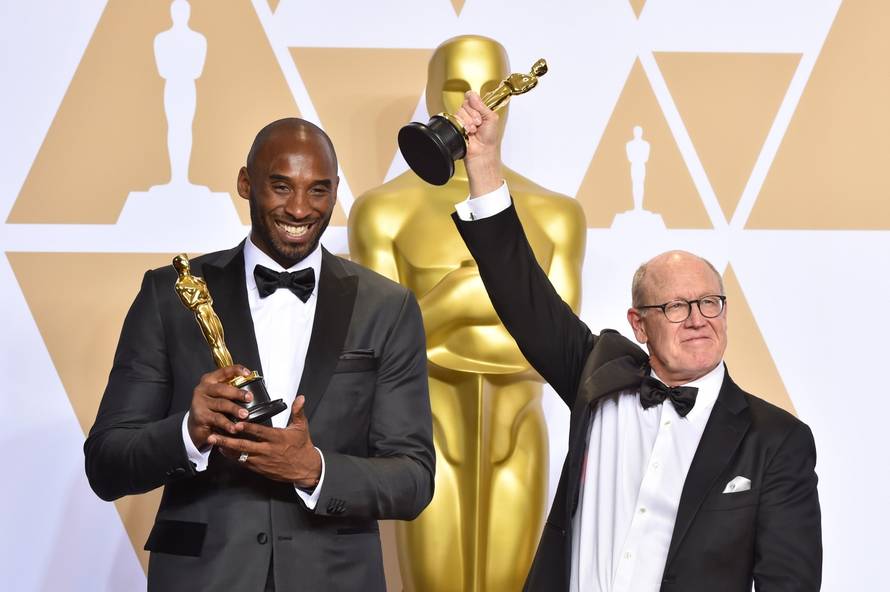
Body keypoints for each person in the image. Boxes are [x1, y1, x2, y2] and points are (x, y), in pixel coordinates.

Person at [448, 91, 822, 591]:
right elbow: (523, 294)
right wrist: (484, 163)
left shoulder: (776, 440)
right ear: (639, 325)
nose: (698, 320)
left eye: (710, 303)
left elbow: (790, 583)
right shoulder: (598, 376)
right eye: (676, 307)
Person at [84, 118, 435, 592]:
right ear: (246, 183)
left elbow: (413, 479)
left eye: (318, 190)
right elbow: (106, 464)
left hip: (335, 579)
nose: (300, 208)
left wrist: (314, 469)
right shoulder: (170, 296)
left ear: (335, 192)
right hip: (204, 579)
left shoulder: (388, 307)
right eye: (281, 186)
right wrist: (190, 431)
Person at [349, 35, 585, 592]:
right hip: (424, 439)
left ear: (511, 95)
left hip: (517, 435)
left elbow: (557, 352)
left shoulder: (557, 216)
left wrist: (435, 318)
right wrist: (466, 294)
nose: (474, 104)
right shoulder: (382, 212)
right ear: (432, 92)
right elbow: (383, 350)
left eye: (489, 89)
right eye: (457, 88)